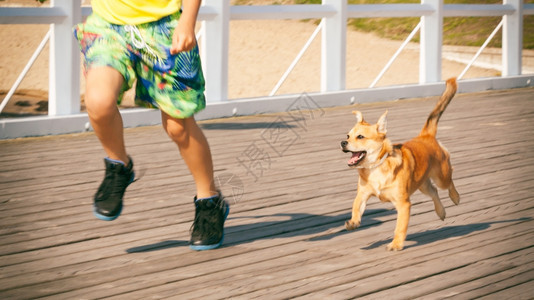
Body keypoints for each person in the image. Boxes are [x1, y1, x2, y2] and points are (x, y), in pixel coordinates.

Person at [73, 0, 229, 251]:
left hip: (166, 28)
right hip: (108, 27)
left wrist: (187, 22)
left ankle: (209, 200)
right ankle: (119, 166)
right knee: (98, 102)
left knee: (178, 127)